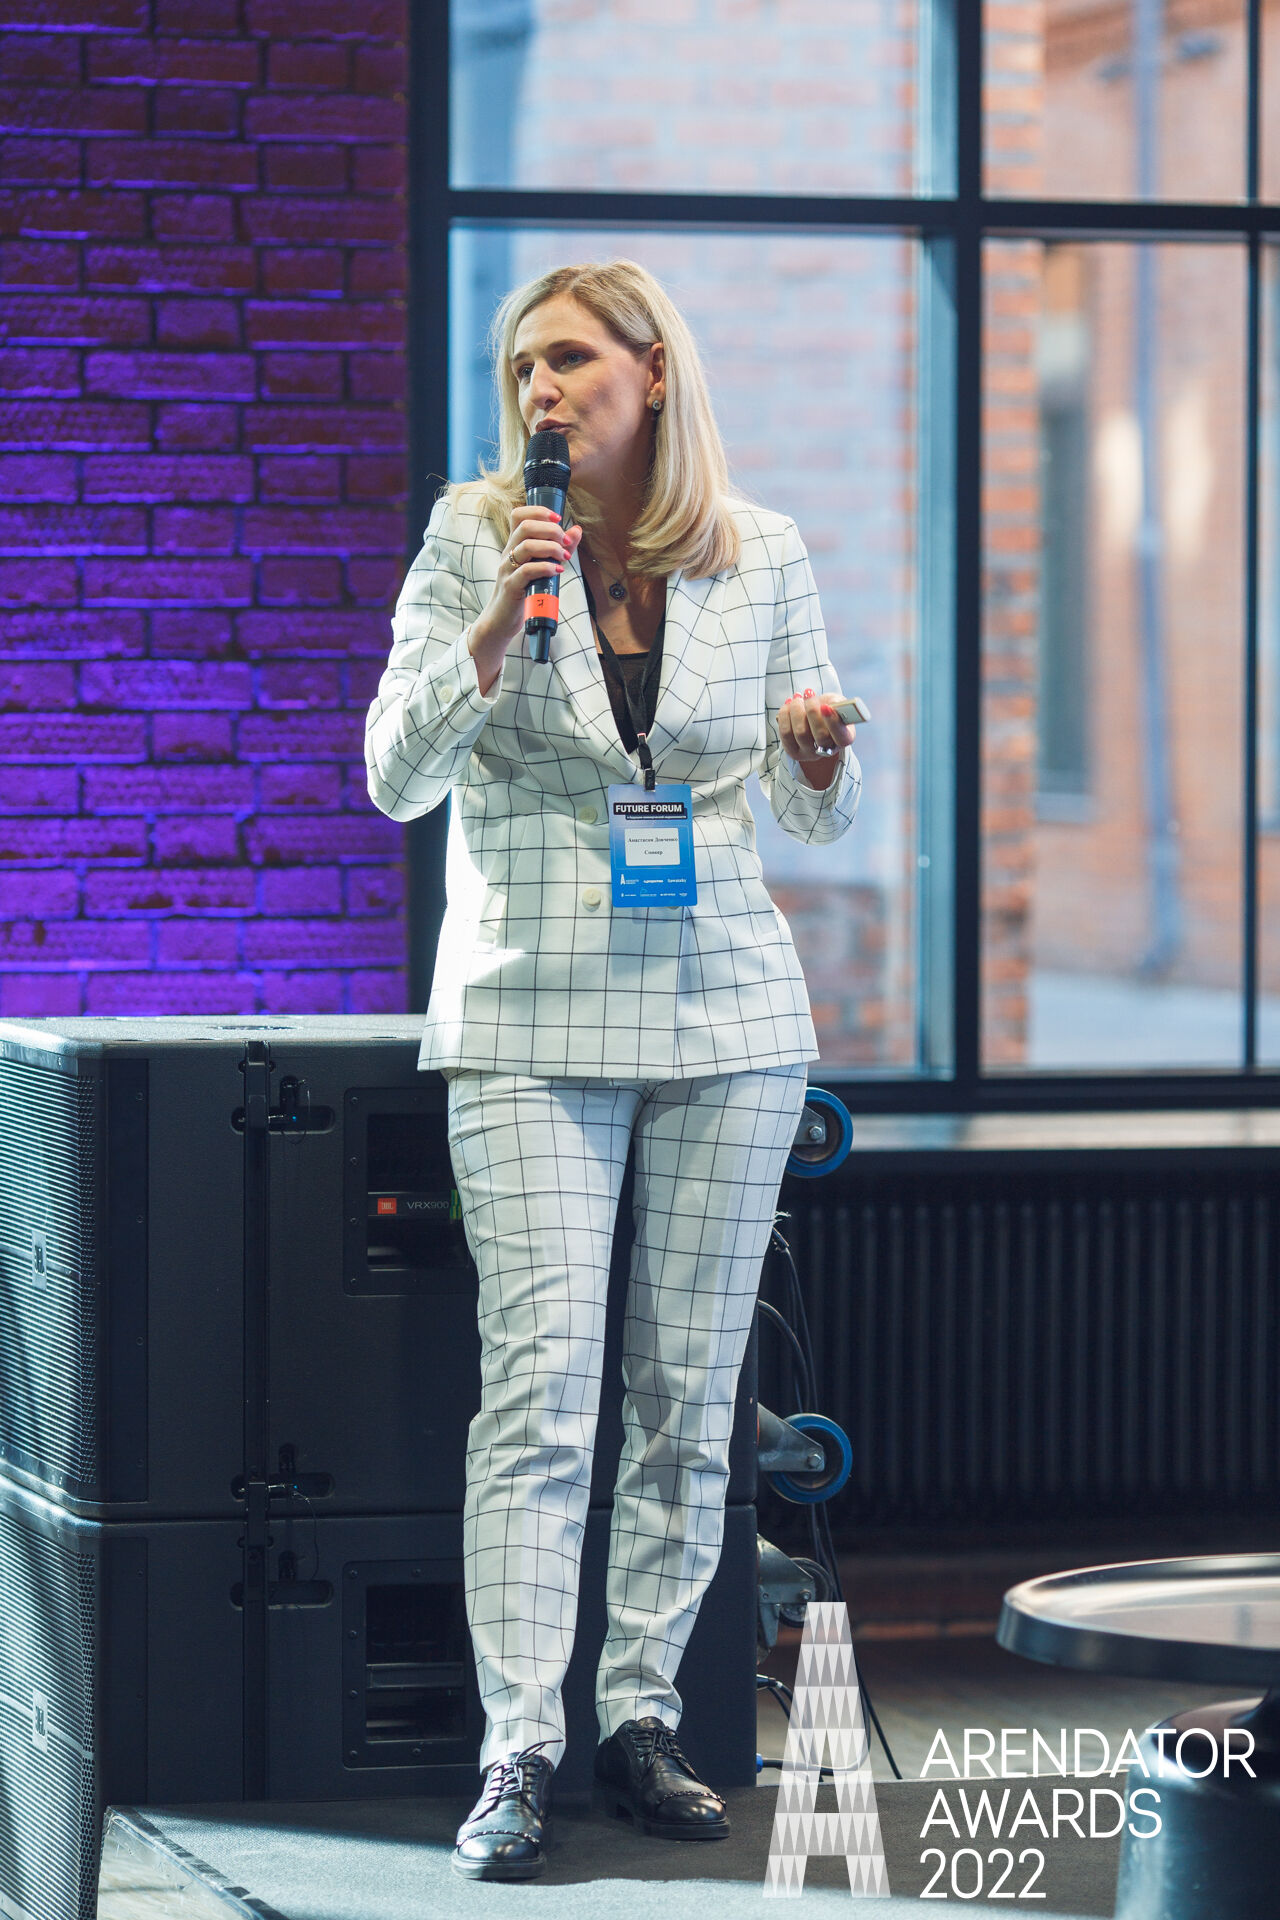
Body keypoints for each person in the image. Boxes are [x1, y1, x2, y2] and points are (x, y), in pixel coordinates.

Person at [364, 259, 860, 1881]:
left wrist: (819, 755)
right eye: (523, 367)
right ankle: (518, 1743)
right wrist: (498, 621)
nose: (541, 391)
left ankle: (643, 1715)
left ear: (652, 373)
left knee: (687, 1398)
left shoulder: (760, 550)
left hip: (727, 1010)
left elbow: (813, 817)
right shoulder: (474, 538)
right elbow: (392, 777)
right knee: (544, 1387)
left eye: (571, 360)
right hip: (530, 1010)